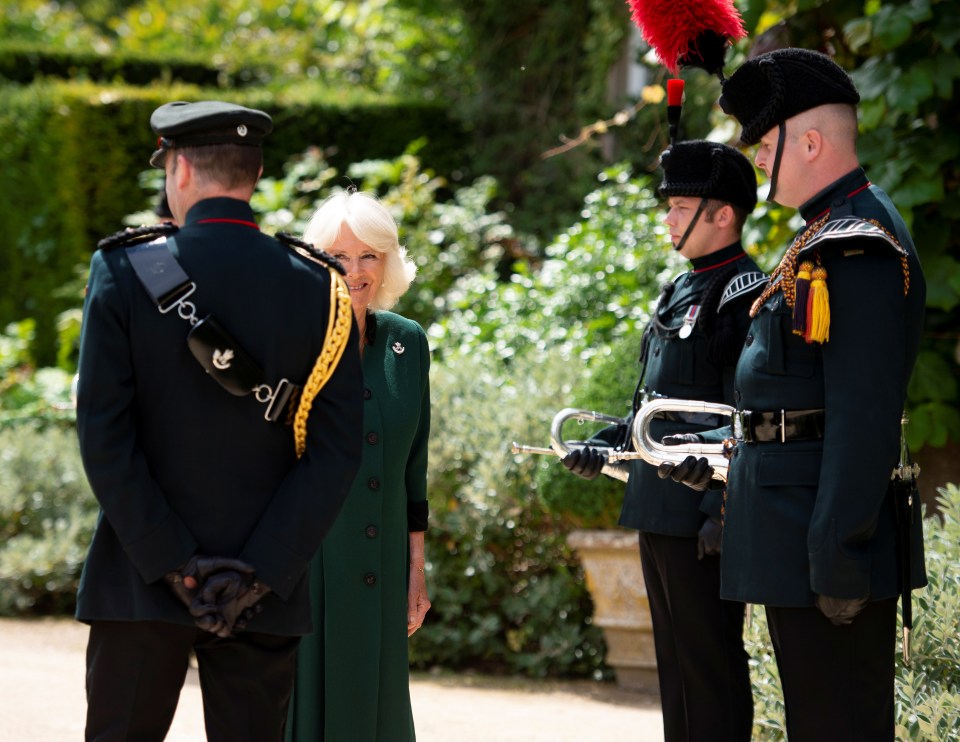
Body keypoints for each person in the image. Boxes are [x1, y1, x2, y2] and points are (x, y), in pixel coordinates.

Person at [74, 100, 364, 742]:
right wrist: (258, 569)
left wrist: (175, 562)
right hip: (264, 587)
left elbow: (103, 436)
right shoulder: (321, 285)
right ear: (254, 174)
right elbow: (337, 451)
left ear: (178, 169)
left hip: (140, 579)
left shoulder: (126, 270)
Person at [661, 48, 927, 741]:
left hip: (825, 543)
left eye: (768, 144)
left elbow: (862, 413)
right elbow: (788, 406)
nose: (758, 161)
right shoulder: (822, 233)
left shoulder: (857, 243)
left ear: (810, 142)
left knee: (836, 725)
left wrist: (840, 552)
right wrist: (720, 457)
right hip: (795, 530)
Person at [562, 139, 764, 741]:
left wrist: (720, 511)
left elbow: (744, 414)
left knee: (711, 666)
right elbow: (653, 406)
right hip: (658, 501)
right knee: (675, 666)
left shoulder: (744, 291)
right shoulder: (680, 287)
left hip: (703, 508)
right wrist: (605, 445)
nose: (668, 218)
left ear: (721, 214)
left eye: (680, 206)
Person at [285, 190, 431, 742]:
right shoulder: (292, 342)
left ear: (387, 261)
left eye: (368, 255)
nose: (354, 270)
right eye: (338, 257)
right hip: (310, 567)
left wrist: (415, 571)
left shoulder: (407, 343)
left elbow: (412, 469)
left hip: (384, 565)